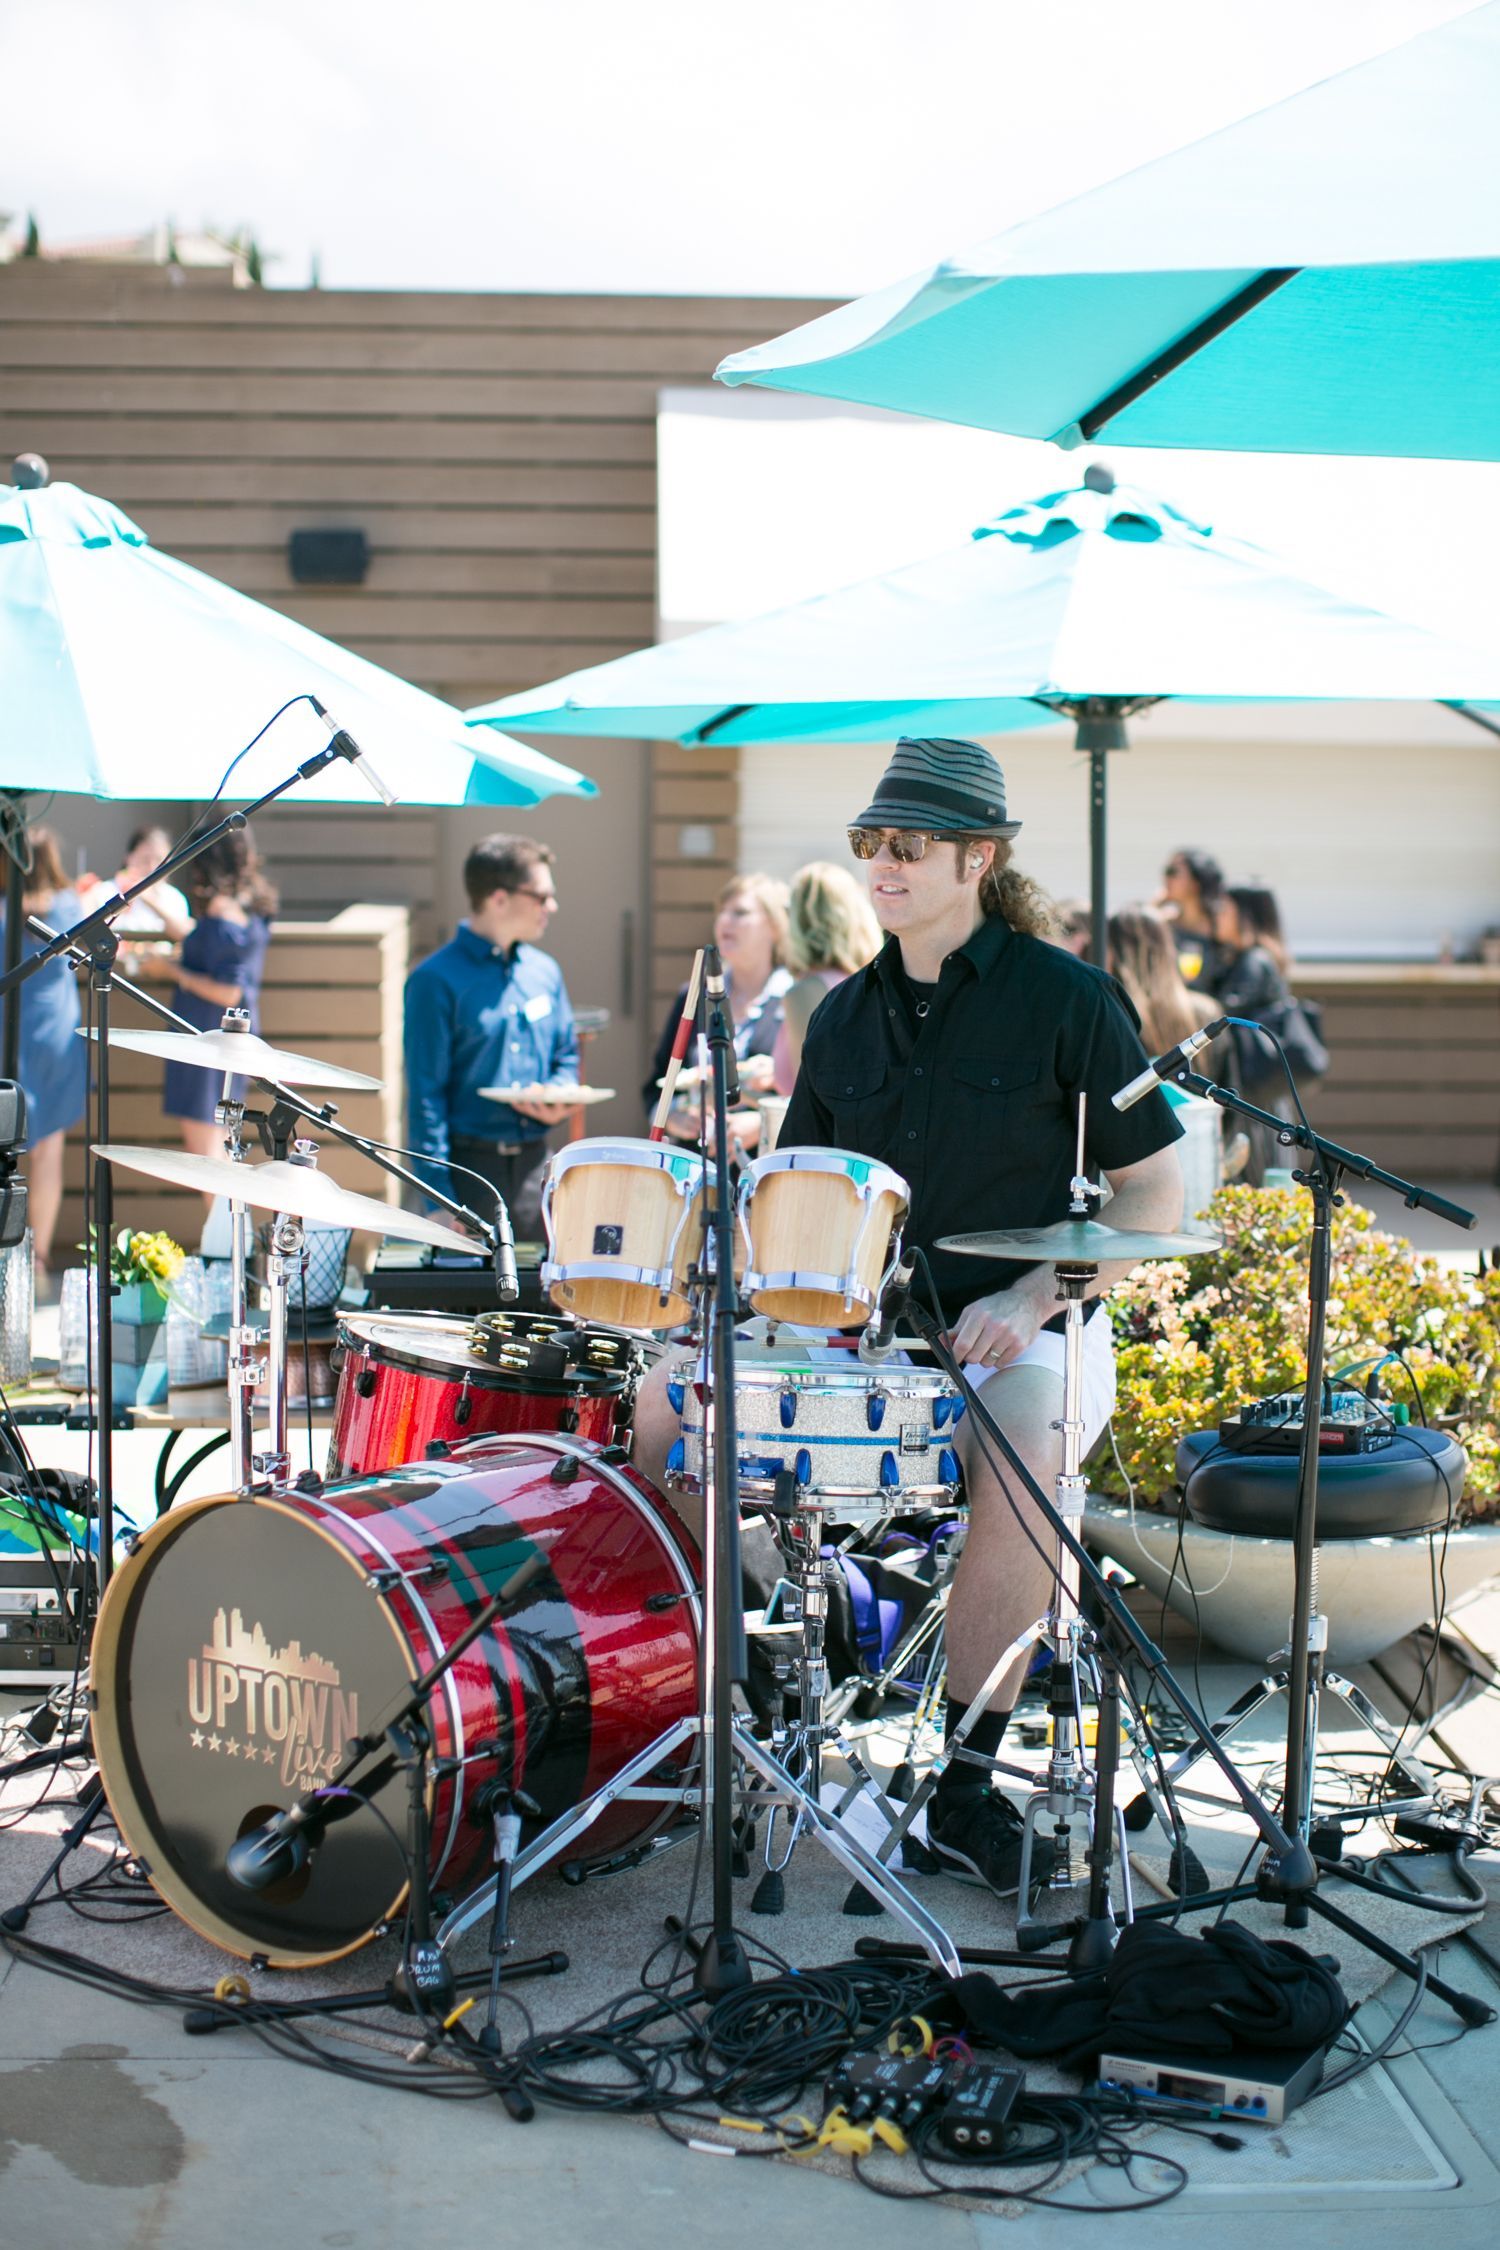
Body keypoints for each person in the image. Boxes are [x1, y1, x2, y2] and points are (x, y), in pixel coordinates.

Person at [633, 736, 1184, 1901]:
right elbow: (797, 1202)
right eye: (871, 844)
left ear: (977, 859)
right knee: (664, 1408)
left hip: (1029, 1334)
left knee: (1027, 1449)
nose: (883, 864)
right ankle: (740, 1707)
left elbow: (1154, 1194)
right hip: (871, 1336)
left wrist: (1036, 1292)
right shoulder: (841, 1020)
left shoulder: (1068, 999)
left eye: (910, 846)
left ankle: (965, 1791)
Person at [404, 833, 578, 1239]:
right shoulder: (434, 980)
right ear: (499, 898)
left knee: (542, 1281)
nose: (551, 906)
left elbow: (566, 1057)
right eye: (542, 896)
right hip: (468, 1177)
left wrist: (558, 1092)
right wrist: (438, 1199)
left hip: (538, 1171)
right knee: (473, 1282)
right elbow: (425, 1097)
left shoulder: (545, 972)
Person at [642, 872, 792, 1152]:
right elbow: (656, 1086)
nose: (724, 920)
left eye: (740, 913)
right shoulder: (694, 996)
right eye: (721, 911)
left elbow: (814, 1098)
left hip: (766, 1164)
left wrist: (763, 1123)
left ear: (775, 927)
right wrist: (672, 1118)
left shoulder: (793, 999)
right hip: (695, 1164)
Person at [158, 829, 277, 1178]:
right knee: (219, 1145)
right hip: (228, 1040)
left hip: (207, 1039)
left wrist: (170, 970)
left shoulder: (224, 915)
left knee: (207, 1154)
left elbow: (228, 990)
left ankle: (225, 1218)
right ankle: (228, 1216)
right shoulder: (249, 903)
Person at [0, 827, 88, 1277]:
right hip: (57, 1036)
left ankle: (6, 1253)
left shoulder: (3, 909)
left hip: (8, 1033)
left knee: (4, 1143)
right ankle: (38, 1257)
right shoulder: (69, 906)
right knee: (49, 1152)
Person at [1214, 884, 1327, 1184]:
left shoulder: (1254, 961)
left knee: (1256, 1175)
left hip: (1253, 1093)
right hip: (1264, 1089)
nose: (1218, 916)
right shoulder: (1258, 957)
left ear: (1245, 916)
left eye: (1226, 910)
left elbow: (1223, 1011)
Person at [771, 860, 881, 1093]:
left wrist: (737, 1093)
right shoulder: (872, 983)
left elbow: (808, 1098)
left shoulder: (805, 994)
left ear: (798, 921)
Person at [1155, 847, 1231, 994]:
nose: (1165, 878)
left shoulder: (1221, 927)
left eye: (1172, 872)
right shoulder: (1164, 922)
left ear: (1196, 881)